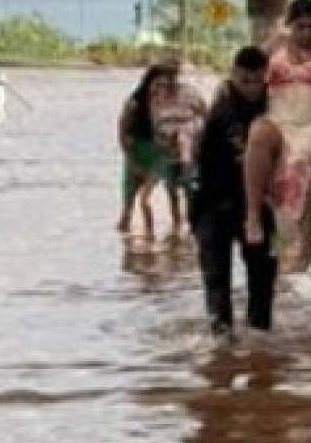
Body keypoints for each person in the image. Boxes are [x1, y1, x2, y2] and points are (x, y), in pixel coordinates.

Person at [242, 0, 311, 272]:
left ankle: (299, 249)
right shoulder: (275, 47)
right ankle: (253, 215)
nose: (306, 33)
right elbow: (248, 70)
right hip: (279, 119)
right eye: (300, 27)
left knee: (298, 170)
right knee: (258, 134)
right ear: (290, 25)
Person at [190, 47, 276, 334]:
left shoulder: (275, 107)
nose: (250, 86)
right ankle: (221, 340)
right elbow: (198, 160)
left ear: (265, 76)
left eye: (256, 79)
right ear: (234, 76)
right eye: (244, 79)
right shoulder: (219, 113)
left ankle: (260, 343)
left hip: (258, 205)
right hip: (214, 204)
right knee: (216, 276)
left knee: (263, 275)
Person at [115, 61, 180, 238]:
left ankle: (151, 238)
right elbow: (122, 135)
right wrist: (132, 161)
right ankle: (130, 246)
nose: (161, 89)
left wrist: (172, 145)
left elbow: (171, 133)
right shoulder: (133, 104)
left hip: (158, 156)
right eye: (158, 84)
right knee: (126, 211)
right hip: (135, 153)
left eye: (166, 85)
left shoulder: (168, 105)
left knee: (145, 199)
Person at [152, 63, 208, 238]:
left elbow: (205, 113)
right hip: (167, 147)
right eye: (164, 77)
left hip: (189, 146)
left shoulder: (189, 93)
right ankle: (176, 224)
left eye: (171, 76)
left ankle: (193, 223)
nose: (167, 81)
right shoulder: (155, 96)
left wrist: (199, 138)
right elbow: (152, 121)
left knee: (189, 185)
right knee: (170, 187)